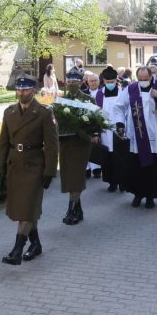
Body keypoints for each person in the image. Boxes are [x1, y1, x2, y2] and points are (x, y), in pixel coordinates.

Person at [0, 75, 59, 264]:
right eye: (19, 89)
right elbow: (3, 143)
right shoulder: (9, 112)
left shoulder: (44, 113)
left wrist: (50, 171)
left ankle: (17, 251)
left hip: (34, 166)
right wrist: (0, 168)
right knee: (24, 209)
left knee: (28, 208)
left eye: (25, 89)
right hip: (15, 165)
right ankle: (36, 244)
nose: (21, 92)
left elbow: (52, 145)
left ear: (34, 90)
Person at [114, 66, 157, 208]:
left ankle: (150, 197)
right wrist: (120, 123)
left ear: (151, 77)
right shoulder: (130, 89)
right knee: (136, 168)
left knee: (153, 169)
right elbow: (119, 107)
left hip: (155, 137)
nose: (143, 81)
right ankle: (137, 195)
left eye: (146, 79)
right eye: (140, 79)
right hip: (137, 136)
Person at [58, 67, 96, 224]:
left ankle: (71, 210)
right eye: (69, 81)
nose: (71, 84)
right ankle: (78, 211)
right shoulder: (61, 100)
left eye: (75, 81)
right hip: (65, 144)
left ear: (81, 82)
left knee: (77, 177)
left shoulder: (88, 100)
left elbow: (95, 121)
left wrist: (87, 131)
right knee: (69, 178)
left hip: (81, 145)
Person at [95, 66, 126, 192]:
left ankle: (123, 182)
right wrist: (97, 131)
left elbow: (125, 110)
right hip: (105, 130)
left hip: (120, 128)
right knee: (108, 158)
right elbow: (97, 112)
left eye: (112, 82)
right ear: (104, 81)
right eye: (108, 82)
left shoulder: (123, 92)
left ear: (116, 80)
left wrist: (122, 125)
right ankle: (112, 182)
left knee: (121, 157)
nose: (110, 84)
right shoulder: (100, 94)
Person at [85, 73, 103, 178]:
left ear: (99, 81)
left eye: (95, 80)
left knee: (97, 145)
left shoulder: (103, 92)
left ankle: (97, 169)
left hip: (100, 121)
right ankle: (87, 169)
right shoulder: (84, 93)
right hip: (86, 122)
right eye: (91, 81)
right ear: (88, 82)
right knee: (87, 146)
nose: (93, 83)